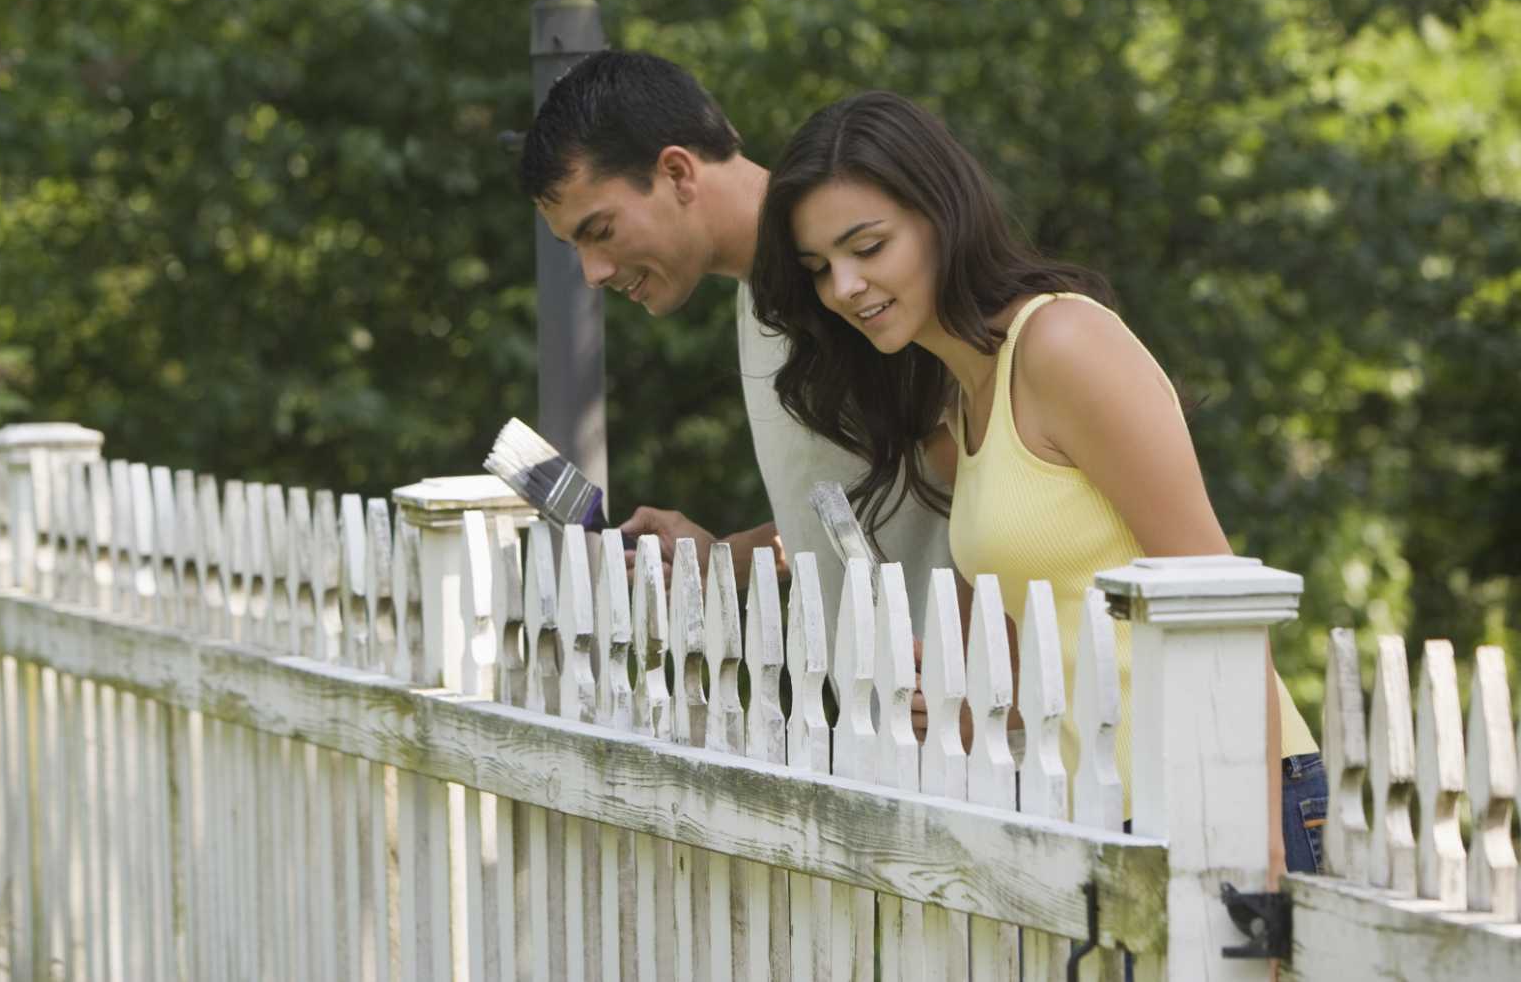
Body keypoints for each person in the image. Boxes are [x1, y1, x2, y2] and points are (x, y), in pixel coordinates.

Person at [747, 88, 1326, 874]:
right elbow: (1046, 658)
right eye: (820, 267)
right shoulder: (959, 406)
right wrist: (947, 698)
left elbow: (1217, 594)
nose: (844, 286)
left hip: (1221, 798)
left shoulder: (1062, 341)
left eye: (868, 246)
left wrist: (1254, 850)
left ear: (940, 217)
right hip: (1103, 816)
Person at [519, 50, 954, 639]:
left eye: (599, 231)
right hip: (892, 720)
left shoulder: (866, 285)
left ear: (676, 173)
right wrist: (725, 556)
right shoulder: (759, 296)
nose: (593, 272)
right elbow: (863, 508)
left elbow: (1005, 490)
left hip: (991, 713)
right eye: (576, 247)